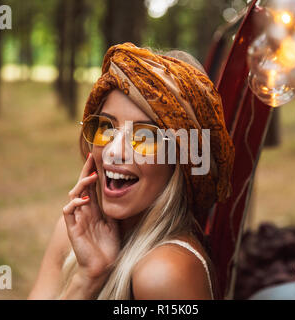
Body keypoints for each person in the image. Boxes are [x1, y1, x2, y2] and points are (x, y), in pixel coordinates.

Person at [28, 43, 235, 299]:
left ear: (182, 160)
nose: (114, 151)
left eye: (146, 135)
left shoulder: (164, 272)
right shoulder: (73, 231)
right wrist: (86, 279)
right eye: (106, 127)